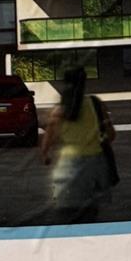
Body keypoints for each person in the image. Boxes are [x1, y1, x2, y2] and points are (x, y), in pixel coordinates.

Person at [40, 65, 117, 224]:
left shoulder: (58, 111)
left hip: (67, 170)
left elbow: (47, 145)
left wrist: (46, 156)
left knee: (67, 221)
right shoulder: (96, 104)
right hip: (93, 170)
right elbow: (111, 135)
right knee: (90, 219)